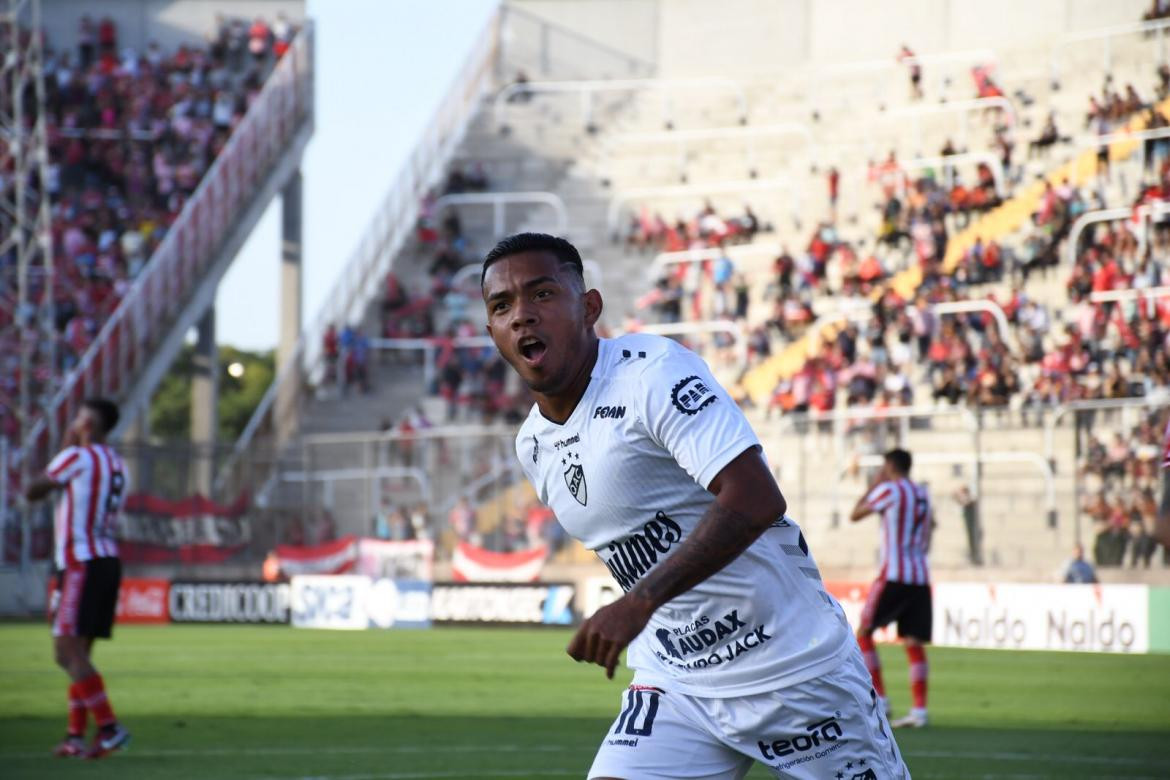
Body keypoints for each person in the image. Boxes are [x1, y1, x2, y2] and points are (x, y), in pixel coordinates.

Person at [481, 233, 908, 779]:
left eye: (541, 295)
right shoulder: (532, 444)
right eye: (502, 306)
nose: (521, 317)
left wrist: (639, 603)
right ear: (492, 332)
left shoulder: (651, 374)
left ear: (589, 307)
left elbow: (755, 498)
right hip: (678, 685)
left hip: (796, 673)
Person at [24, 398, 132, 759]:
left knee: (65, 651)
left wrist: (66, 443)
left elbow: (33, 490)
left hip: (79, 561)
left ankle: (109, 727)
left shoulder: (78, 457)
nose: (73, 420)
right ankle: (75, 736)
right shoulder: (118, 464)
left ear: (89, 424)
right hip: (107, 560)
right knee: (81, 655)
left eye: (79, 416)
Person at [849, 449, 933, 729]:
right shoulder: (923, 494)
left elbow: (856, 514)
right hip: (920, 575)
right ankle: (919, 711)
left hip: (894, 573)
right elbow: (931, 526)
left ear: (890, 465)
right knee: (913, 642)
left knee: (864, 633)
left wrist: (873, 485)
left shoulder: (890, 490)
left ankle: (881, 700)